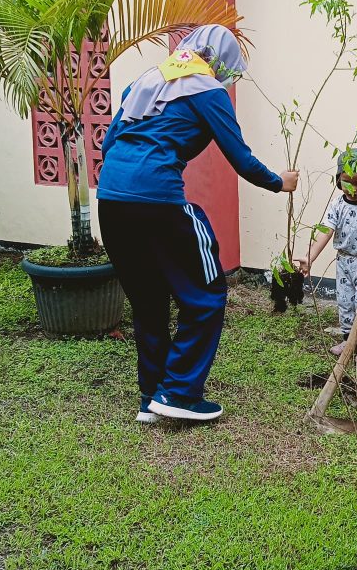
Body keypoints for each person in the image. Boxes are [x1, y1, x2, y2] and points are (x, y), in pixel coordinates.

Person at [97, 25, 298, 424]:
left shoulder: (145, 81)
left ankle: (151, 397)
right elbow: (240, 158)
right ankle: (179, 393)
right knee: (207, 293)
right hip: (158, 200)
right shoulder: (207, 90)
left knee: (148, 299)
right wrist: (279, 182)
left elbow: (108, 144)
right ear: (220, 62)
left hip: (111, 201)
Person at [296, 148, 357, 366]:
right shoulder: (337, 205)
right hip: (344, 261)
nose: (352, 189)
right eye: (347, 182)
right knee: (345, 301)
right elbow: (326, 232)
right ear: (338, 180)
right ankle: (348, 339)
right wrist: (310, 257)